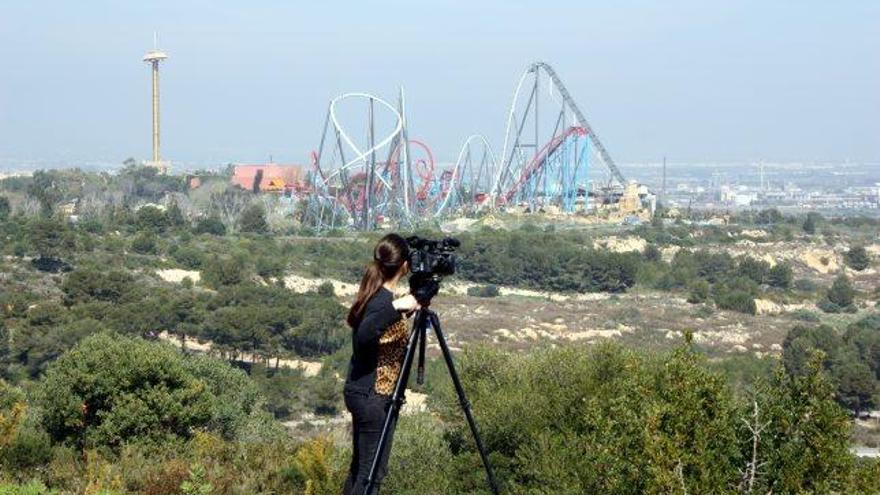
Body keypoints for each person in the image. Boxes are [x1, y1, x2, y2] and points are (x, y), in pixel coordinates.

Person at [342, 233, 419, 495]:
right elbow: (365, 334)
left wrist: (405, 307)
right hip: (374, 394)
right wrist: (398, 305)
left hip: (361, 391)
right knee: (372, 474)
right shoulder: (385, 301)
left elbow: (378, 329)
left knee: (360, 469)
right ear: (405, 266)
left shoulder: (374, 294)